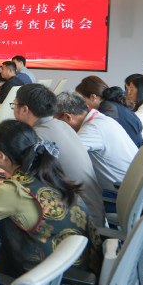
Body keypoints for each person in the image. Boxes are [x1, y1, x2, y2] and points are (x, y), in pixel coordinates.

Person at [0, 120, 102, 285]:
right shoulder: (48, 172)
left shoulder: (13, 192)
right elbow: (17, 193)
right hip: (84, 284)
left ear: (2, 156)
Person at [12, 84, 105, 228]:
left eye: (14, 105)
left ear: (24, 109)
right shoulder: (62, 125)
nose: (13, 110)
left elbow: (20, 182)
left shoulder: (37, 138)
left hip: (80, 222)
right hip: (92, 212)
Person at [54, 91, 138, 193]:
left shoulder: (92, 129)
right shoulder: (100, 119)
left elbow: (62, 156)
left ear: (68, 117)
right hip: (130, 185)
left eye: (56, 120)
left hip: (118, 192)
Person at [75, 76, 143, 148]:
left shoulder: (108, 109)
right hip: (138, 148)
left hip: (134, 150)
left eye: (82, 98)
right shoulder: (112, 103)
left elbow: (96, 133)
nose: (82, 103)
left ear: (93, 97)